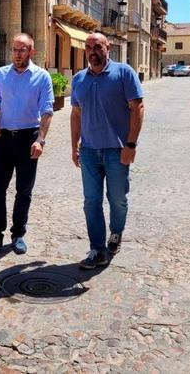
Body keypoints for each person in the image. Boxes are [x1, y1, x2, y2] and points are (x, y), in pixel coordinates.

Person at [71, 32, 144, 269]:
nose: (93, 51)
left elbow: (137, 107)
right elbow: (76, 113)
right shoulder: (78, 79)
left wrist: (130, 144)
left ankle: (116, 232)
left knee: (117, 199)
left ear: (108, 47)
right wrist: (74, 146)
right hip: (90, 151)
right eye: (89, 47)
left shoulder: (124, 73)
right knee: (91, 202)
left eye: (97, 47)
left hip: (117, 150)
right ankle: (97, 250)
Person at [0, 33, 54, 255]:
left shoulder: (42, 77)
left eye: (22, 50)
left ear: (31, 51)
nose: (17, 54)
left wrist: (40, 140)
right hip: (2, 139)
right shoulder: (1, 75)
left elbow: (47, 111)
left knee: (24, 190)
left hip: (27, 139)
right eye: (14, 49)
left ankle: (18, 234)